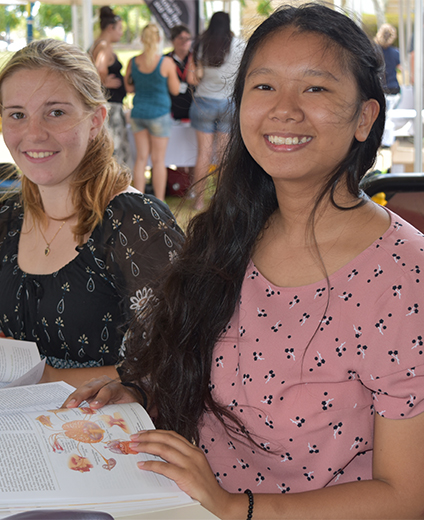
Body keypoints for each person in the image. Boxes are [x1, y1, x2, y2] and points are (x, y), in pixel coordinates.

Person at [64, 4, 424, 519]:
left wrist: (237, 507)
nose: (285, 109)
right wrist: (143, 395)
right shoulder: (227, 233)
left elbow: (407, 496)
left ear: (365, 116)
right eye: (264, 87)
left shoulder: (405, 276)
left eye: (315, 88)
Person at [0, 39, 183, 389]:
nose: (33, 133)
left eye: (56, 112)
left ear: (96, 120)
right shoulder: (15, 220)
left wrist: (48, 378)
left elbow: (175, 364)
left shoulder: (136, 223)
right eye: (17, 115)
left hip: (111, 433)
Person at [187, 11, 244, 210]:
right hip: (229, 103)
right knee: (223, 154)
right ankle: (220, 201)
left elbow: (194, 76)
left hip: (203, 102)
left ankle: (199, 201)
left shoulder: (202, 45)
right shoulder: (239, 45)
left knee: (203, 153)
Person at [125, 23, 180, 201]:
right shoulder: (166, 63)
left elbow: (129, 87)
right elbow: (176, 90)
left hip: (138, 113)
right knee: (158, 160)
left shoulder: (133, 62)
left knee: (140, 159)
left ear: (142, 39)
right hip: (159, 114)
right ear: (158, 39)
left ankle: (138, 200)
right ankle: (159, 201)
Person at [89, 6, 131, 166]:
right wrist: (103, 82)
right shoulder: (104, 45)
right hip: (111, 107)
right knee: (114, 150)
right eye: (120, 29)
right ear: (110, 28)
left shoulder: (96, 43)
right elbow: (100, 67)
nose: (121, 33)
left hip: (108, 103)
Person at [165, 24, 195, 121]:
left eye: (188, 38)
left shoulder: (196, 59)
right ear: (172, 41)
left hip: (192, 107)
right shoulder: (165, 60)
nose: (185, 42)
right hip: (170, 108)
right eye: (180, 38)